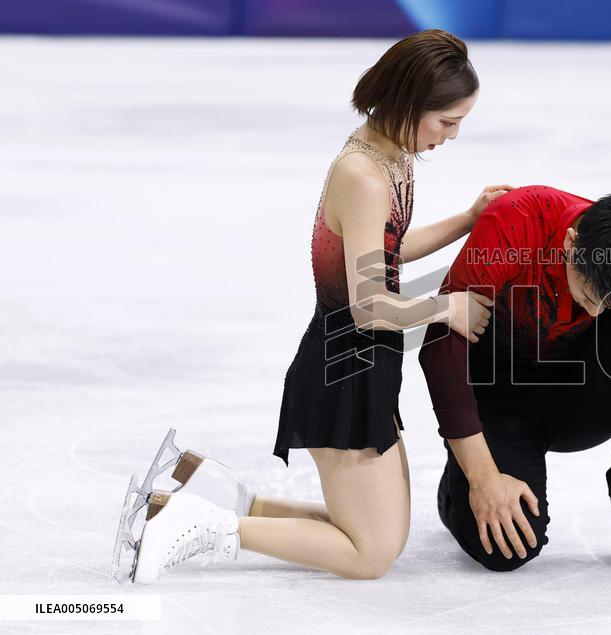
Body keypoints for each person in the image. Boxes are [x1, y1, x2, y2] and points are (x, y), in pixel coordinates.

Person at [113, 29, 510, 584]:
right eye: (448, 122)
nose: (453, 135)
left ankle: (214, 495)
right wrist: (447, 308)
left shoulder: (391, 155)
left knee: (378, 538)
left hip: (367, 364)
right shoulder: (365, 175)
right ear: (410, 103)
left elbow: (383, 254)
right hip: (342, 367)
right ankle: (189, 523)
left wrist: (466, 220)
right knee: (370, 554)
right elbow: (369, 305)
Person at [418, 185, 611, 571]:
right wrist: (482, 477)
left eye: (609, 305)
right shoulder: (517, 221)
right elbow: (440, 348)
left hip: (578, 390)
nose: (596, 313)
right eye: (587, 295)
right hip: (499, 392)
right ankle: (458, 486)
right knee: (506, 549)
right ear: (570, 243)